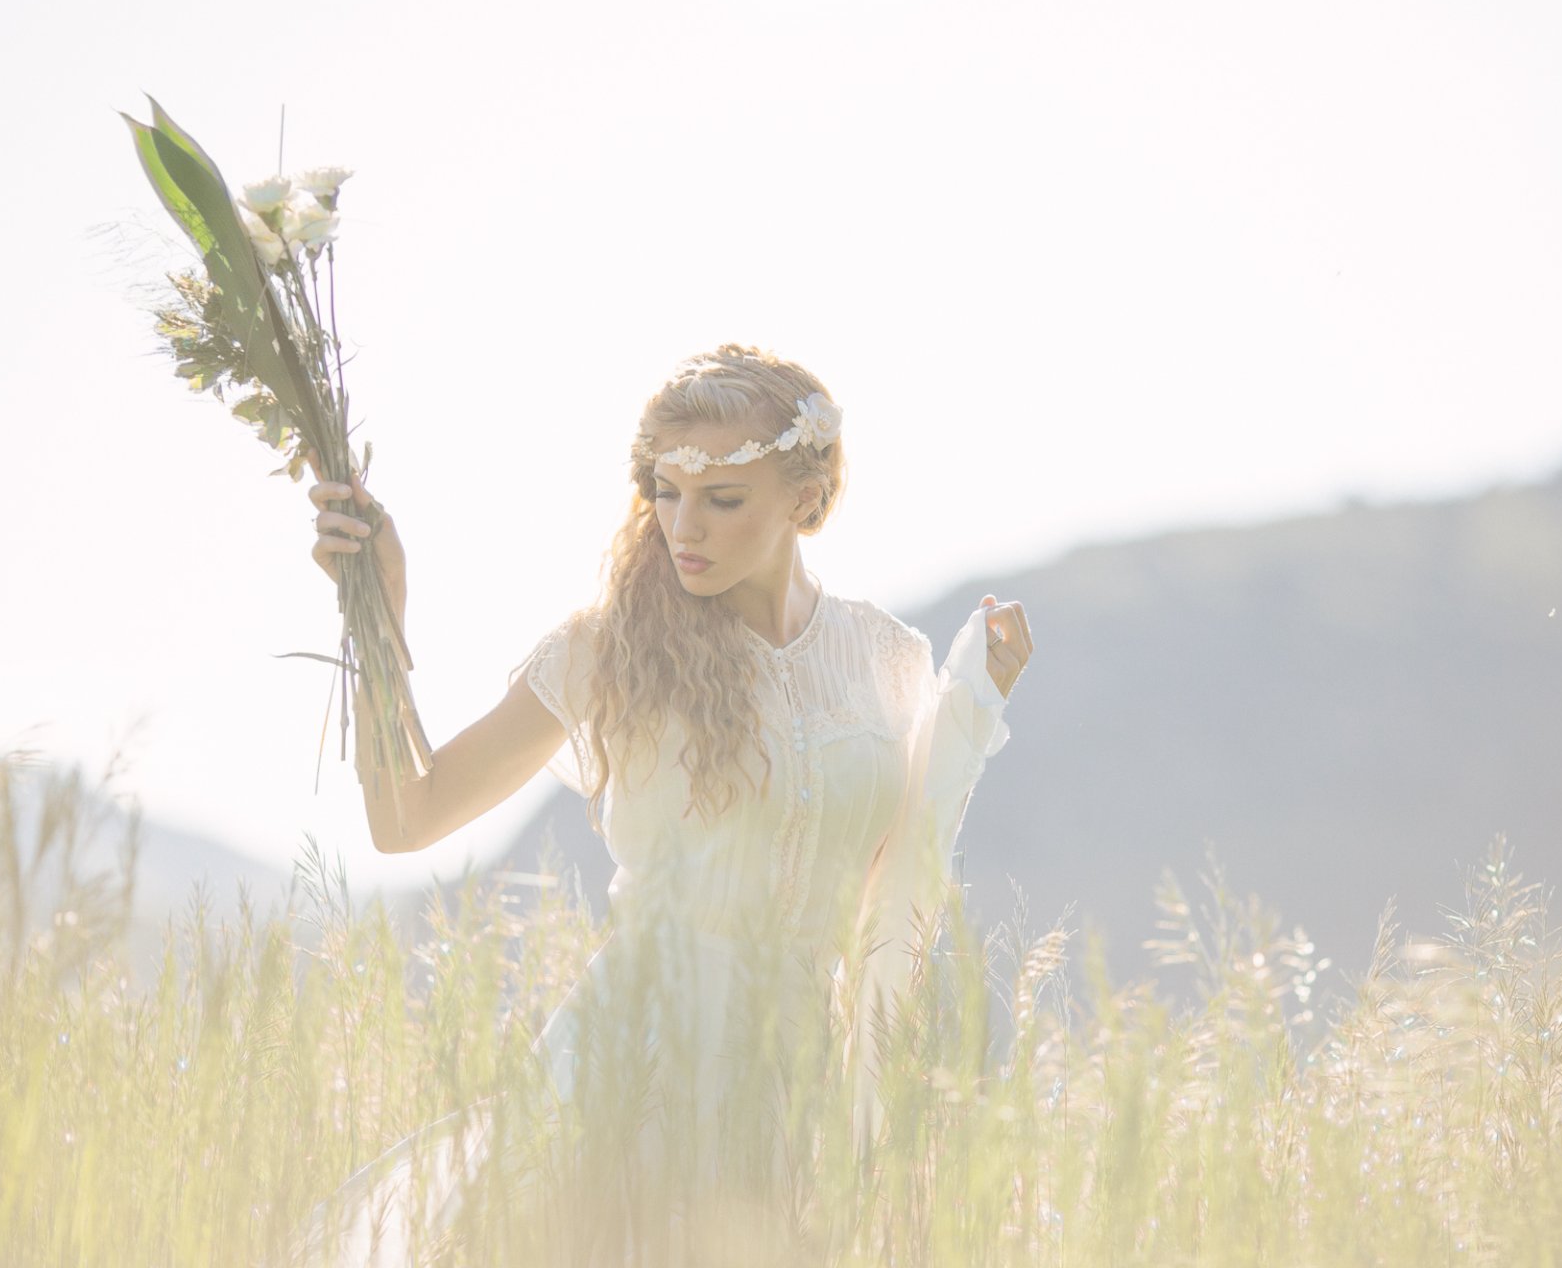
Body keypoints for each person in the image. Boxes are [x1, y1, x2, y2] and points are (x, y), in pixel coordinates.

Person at [286, 343, 1032, 1265]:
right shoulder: (607, 650)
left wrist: (972, 705)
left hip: (792, 1083)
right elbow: (407, 817)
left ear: (806, 497)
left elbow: (904, 868)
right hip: (631, 1068)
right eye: (666, 494)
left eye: (723, 501)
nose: (686, 528)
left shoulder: (886, 661)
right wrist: (378, 606)